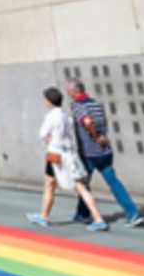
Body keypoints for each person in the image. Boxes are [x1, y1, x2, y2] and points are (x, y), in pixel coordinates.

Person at [67, 79, 144, 229]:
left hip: (89, 152)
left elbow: (88, 122)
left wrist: (94, 136)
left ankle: (84, 215)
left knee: (82, 185)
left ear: (73, 91)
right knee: (114, 182)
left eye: (68, 90)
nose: (67, 93)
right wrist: (101, 137)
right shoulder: (97, 104)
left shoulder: (77, 106)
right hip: (104, 150)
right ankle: (133, 213)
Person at [28, 88, 109, 231]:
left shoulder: (51, 116)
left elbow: (42, 133)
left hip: (55, 154)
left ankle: (44, 217)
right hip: (70, 154)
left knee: (50, 185)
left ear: (49, 100)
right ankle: (97, 218)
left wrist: (50, 139)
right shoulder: (66, 115)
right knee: (78, 186)